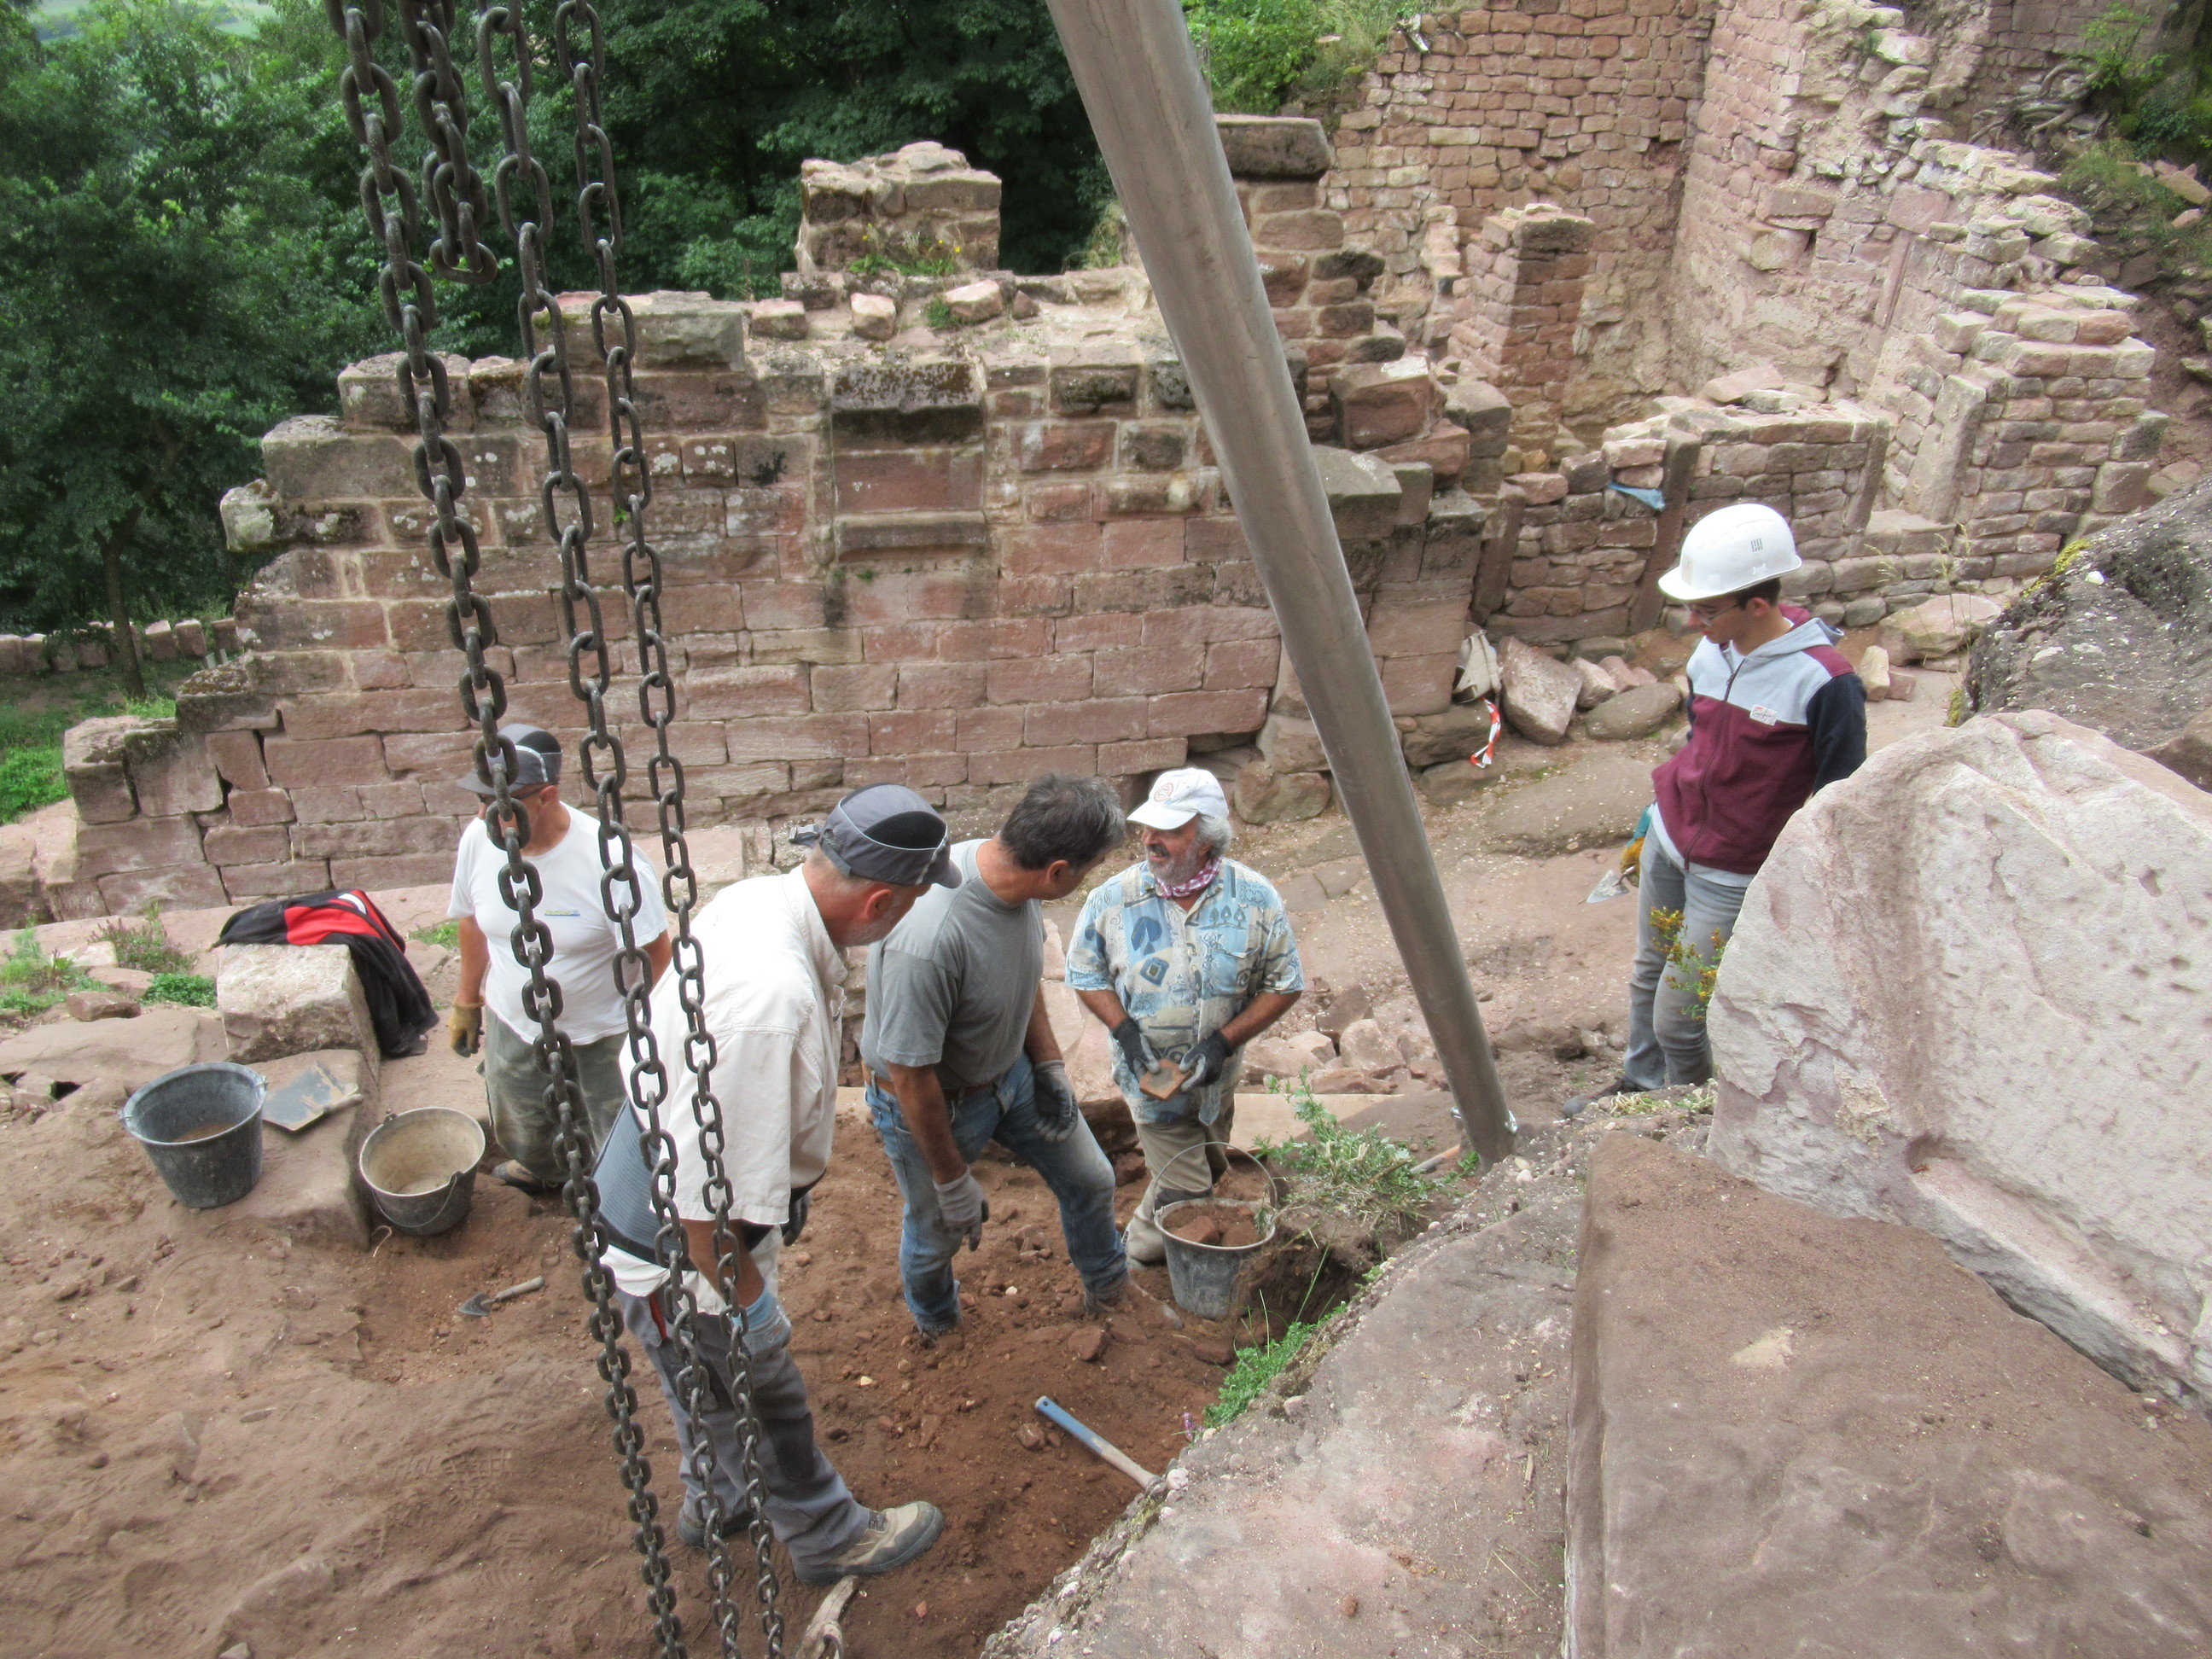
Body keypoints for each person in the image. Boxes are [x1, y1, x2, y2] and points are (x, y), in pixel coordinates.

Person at [595, 783, 957, 1580]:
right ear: (879, 903)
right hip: (683, 1239)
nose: (908, 917)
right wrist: (752, 1309)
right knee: (760, 1388)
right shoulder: (769, 1000)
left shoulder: (759, 900)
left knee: (702, 1382)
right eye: (910, 904)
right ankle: (830, 1537)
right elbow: (703, 1210)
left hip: (660, 1192)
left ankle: (718, 1497)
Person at [1566, 501, 1867, 1115]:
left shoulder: (1825, 683)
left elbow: (1842, 795)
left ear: (1756, 605)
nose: (1691, 621)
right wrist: (1658, 814)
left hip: (1732, 872)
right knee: (1649, 970)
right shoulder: (1711, 653)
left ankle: (1685, 1117)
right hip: (1671, 841)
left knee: (1681, 1019)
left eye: (1705, 610)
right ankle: (1641, 1087)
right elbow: (1699, 740)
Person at [862, 773, 1129, 1340]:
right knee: (936, 1234)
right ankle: (939, 1327)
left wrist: (1049, 1065)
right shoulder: (929, 940)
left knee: (1092, 1178)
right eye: (1091, 869)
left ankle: (1109, 1289)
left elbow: (1020, 973)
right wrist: (952, 1180)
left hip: (1013, 1075)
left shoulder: (1016, 882)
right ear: (1057, 871)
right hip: (935, 1104)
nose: (1089, 879)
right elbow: (909, 1073)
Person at [1066, 768, 1303, 1266]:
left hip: (1217, 1082)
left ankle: (1142, 1238)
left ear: (1207, 836)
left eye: (1169, 830)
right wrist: (1125, 1032)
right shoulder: (1112, 899)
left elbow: (1285, 984)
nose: (1149, 839)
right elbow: (1084, 973)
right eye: (1148, 826)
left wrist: (1222, 1043)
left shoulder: (1256, 898)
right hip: (1148, 1082)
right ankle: (1135, 1260)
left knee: (1210, 1166)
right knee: (1189, 1190)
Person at [446, 723, 672, 1192]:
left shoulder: (610, 861)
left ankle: (616, 1198)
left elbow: (656, 952)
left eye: (500, 803)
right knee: (521, 1125)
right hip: (515, 1023)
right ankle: (547, 1173)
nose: (486, 815)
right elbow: (471, 922)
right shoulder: (478, 840)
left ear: (546, 796)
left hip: (604, 1032)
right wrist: (466, 1001)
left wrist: (662, 1030)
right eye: (481, 801)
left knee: (618, 1139)